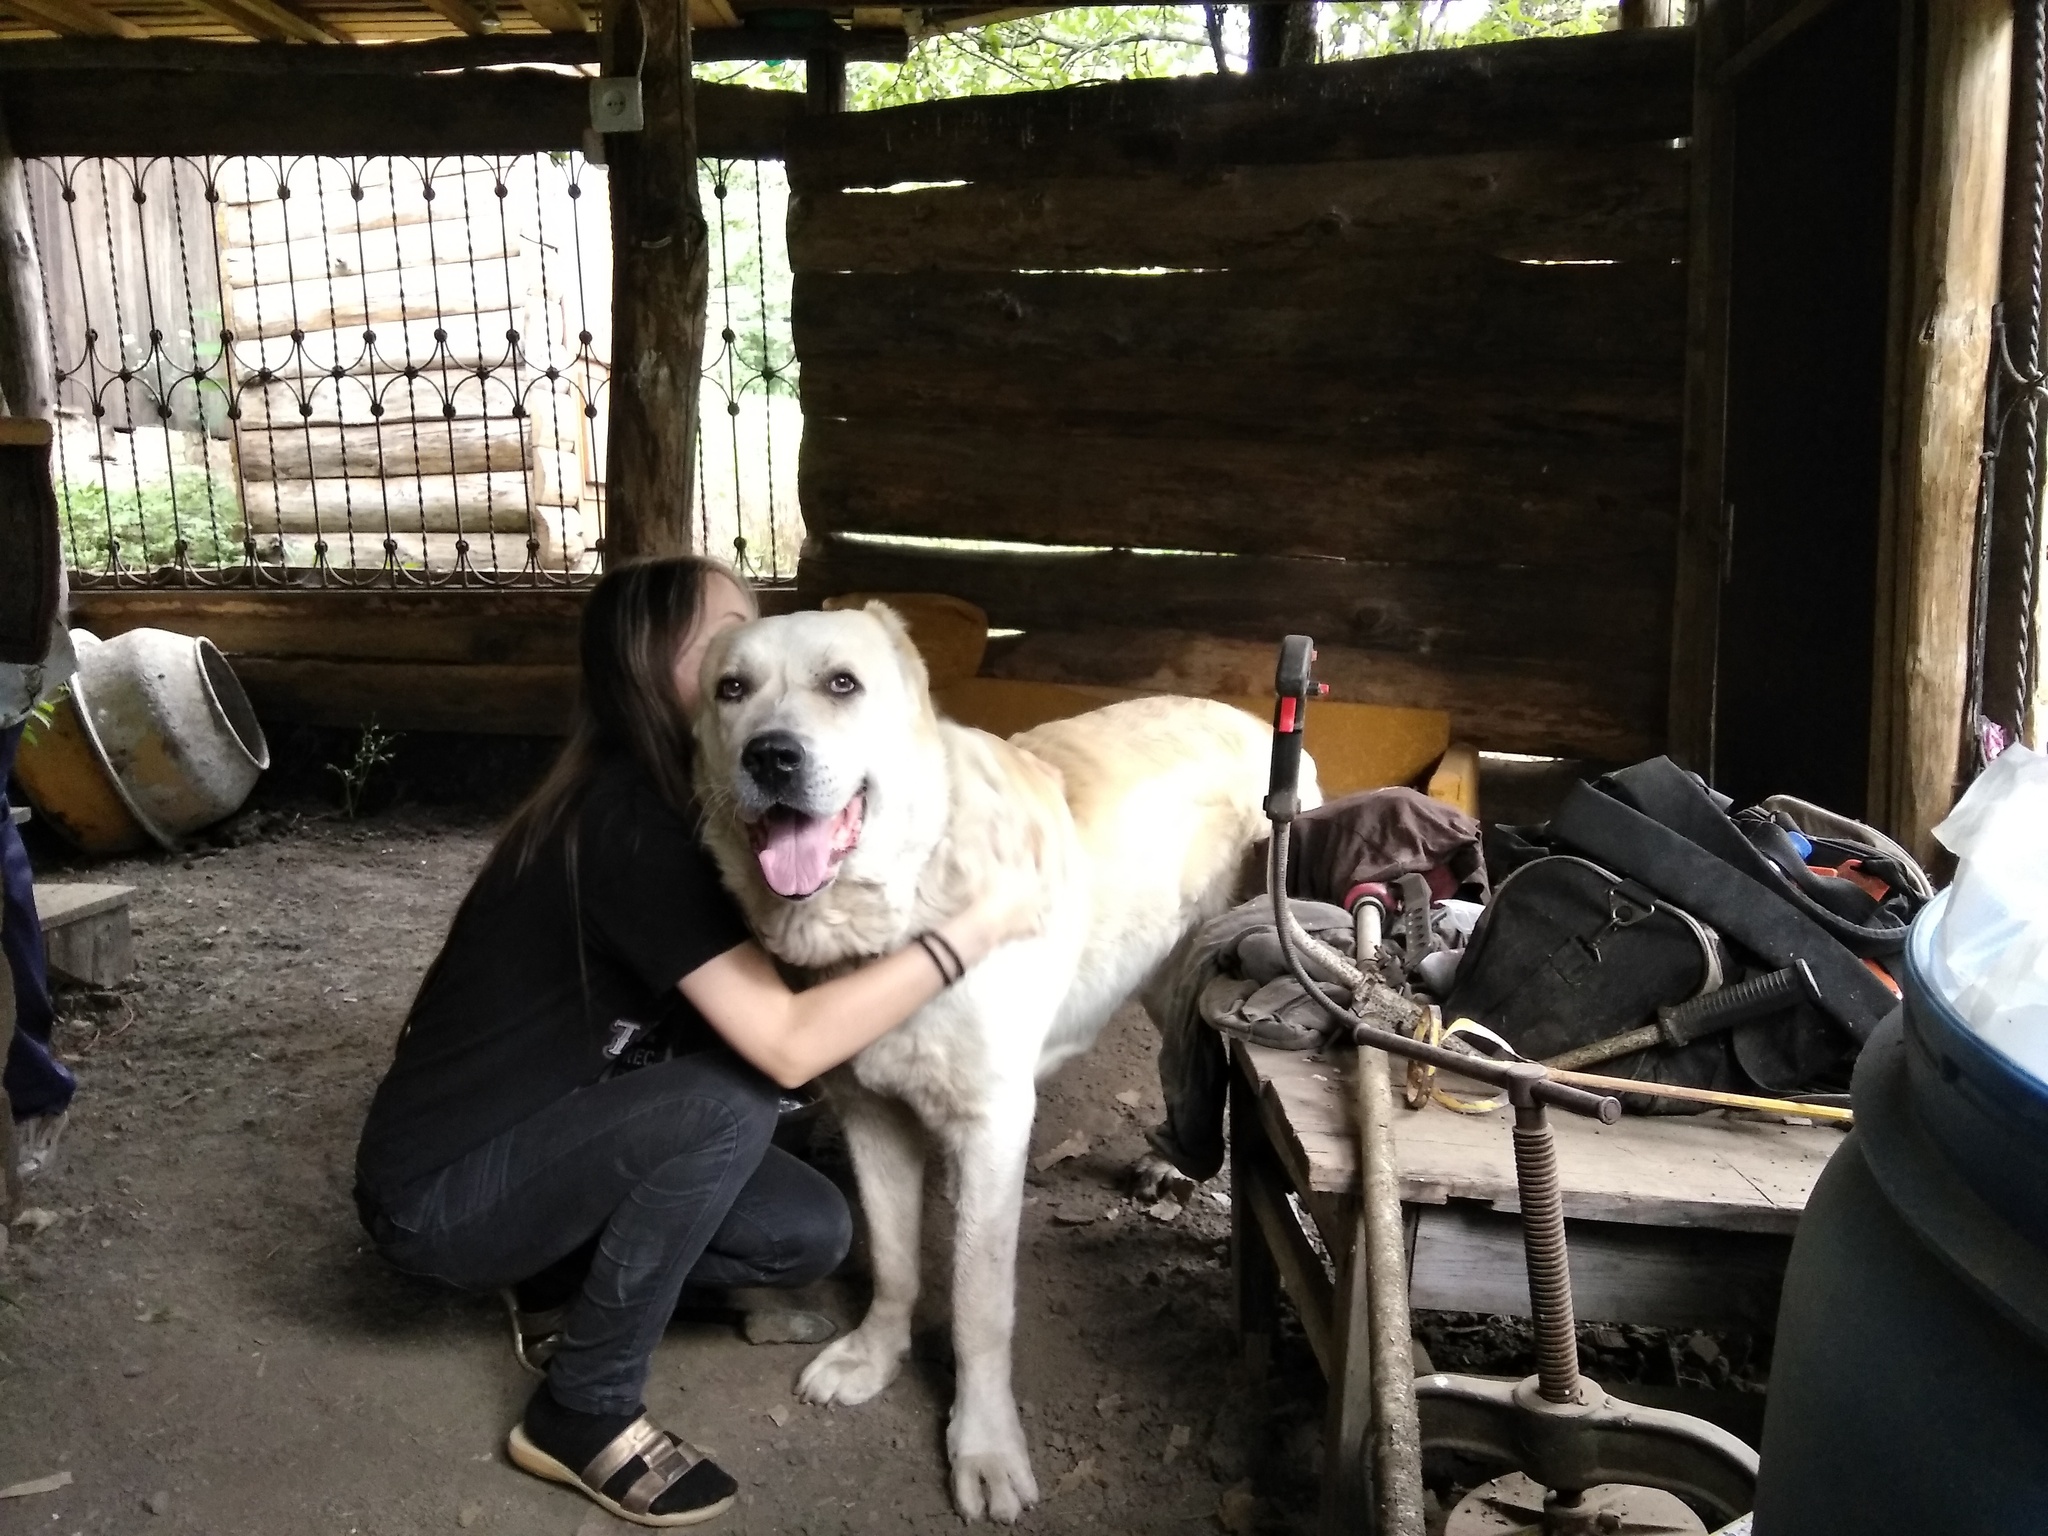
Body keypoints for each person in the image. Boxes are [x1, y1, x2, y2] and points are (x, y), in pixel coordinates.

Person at [353, 556, 1043, 1529]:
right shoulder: (627, 826)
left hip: (565, 1141)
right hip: (445, 1197)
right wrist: (973, 928)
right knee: (734, 1100)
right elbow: (792, 1045)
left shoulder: (694, 815)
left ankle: (553, 1279)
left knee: (808, 1230)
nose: (759, 667)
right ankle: (581, 1409)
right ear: (654, 674)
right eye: (730, 662)